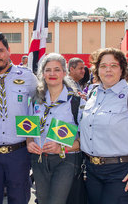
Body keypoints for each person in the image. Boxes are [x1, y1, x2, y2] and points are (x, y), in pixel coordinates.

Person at [80, 48, 128, 204]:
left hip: (122, 172)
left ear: (122, 69)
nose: (108, 69)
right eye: (103, 66)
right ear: (97, 70)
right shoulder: (92, 94)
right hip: (92, 171)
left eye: (113, 65)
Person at [0, 32, 37, 204]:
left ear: (9, 51)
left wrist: (30, 138)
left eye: (0, 51)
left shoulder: (27, 77)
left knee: (19, 199)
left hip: (18, 152)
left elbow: (36, 108)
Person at [26, 53, 84, 204]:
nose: (52, 74)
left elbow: (85, 139)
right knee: (43, 201)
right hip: (39, 159)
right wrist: (29, 142)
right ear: (42, 74)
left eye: (57, 69)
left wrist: (62, 147)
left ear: (64, 73)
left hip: (66, 160)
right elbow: (29, 130)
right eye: (48, 70)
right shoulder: (35, 99)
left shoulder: (76, 101)